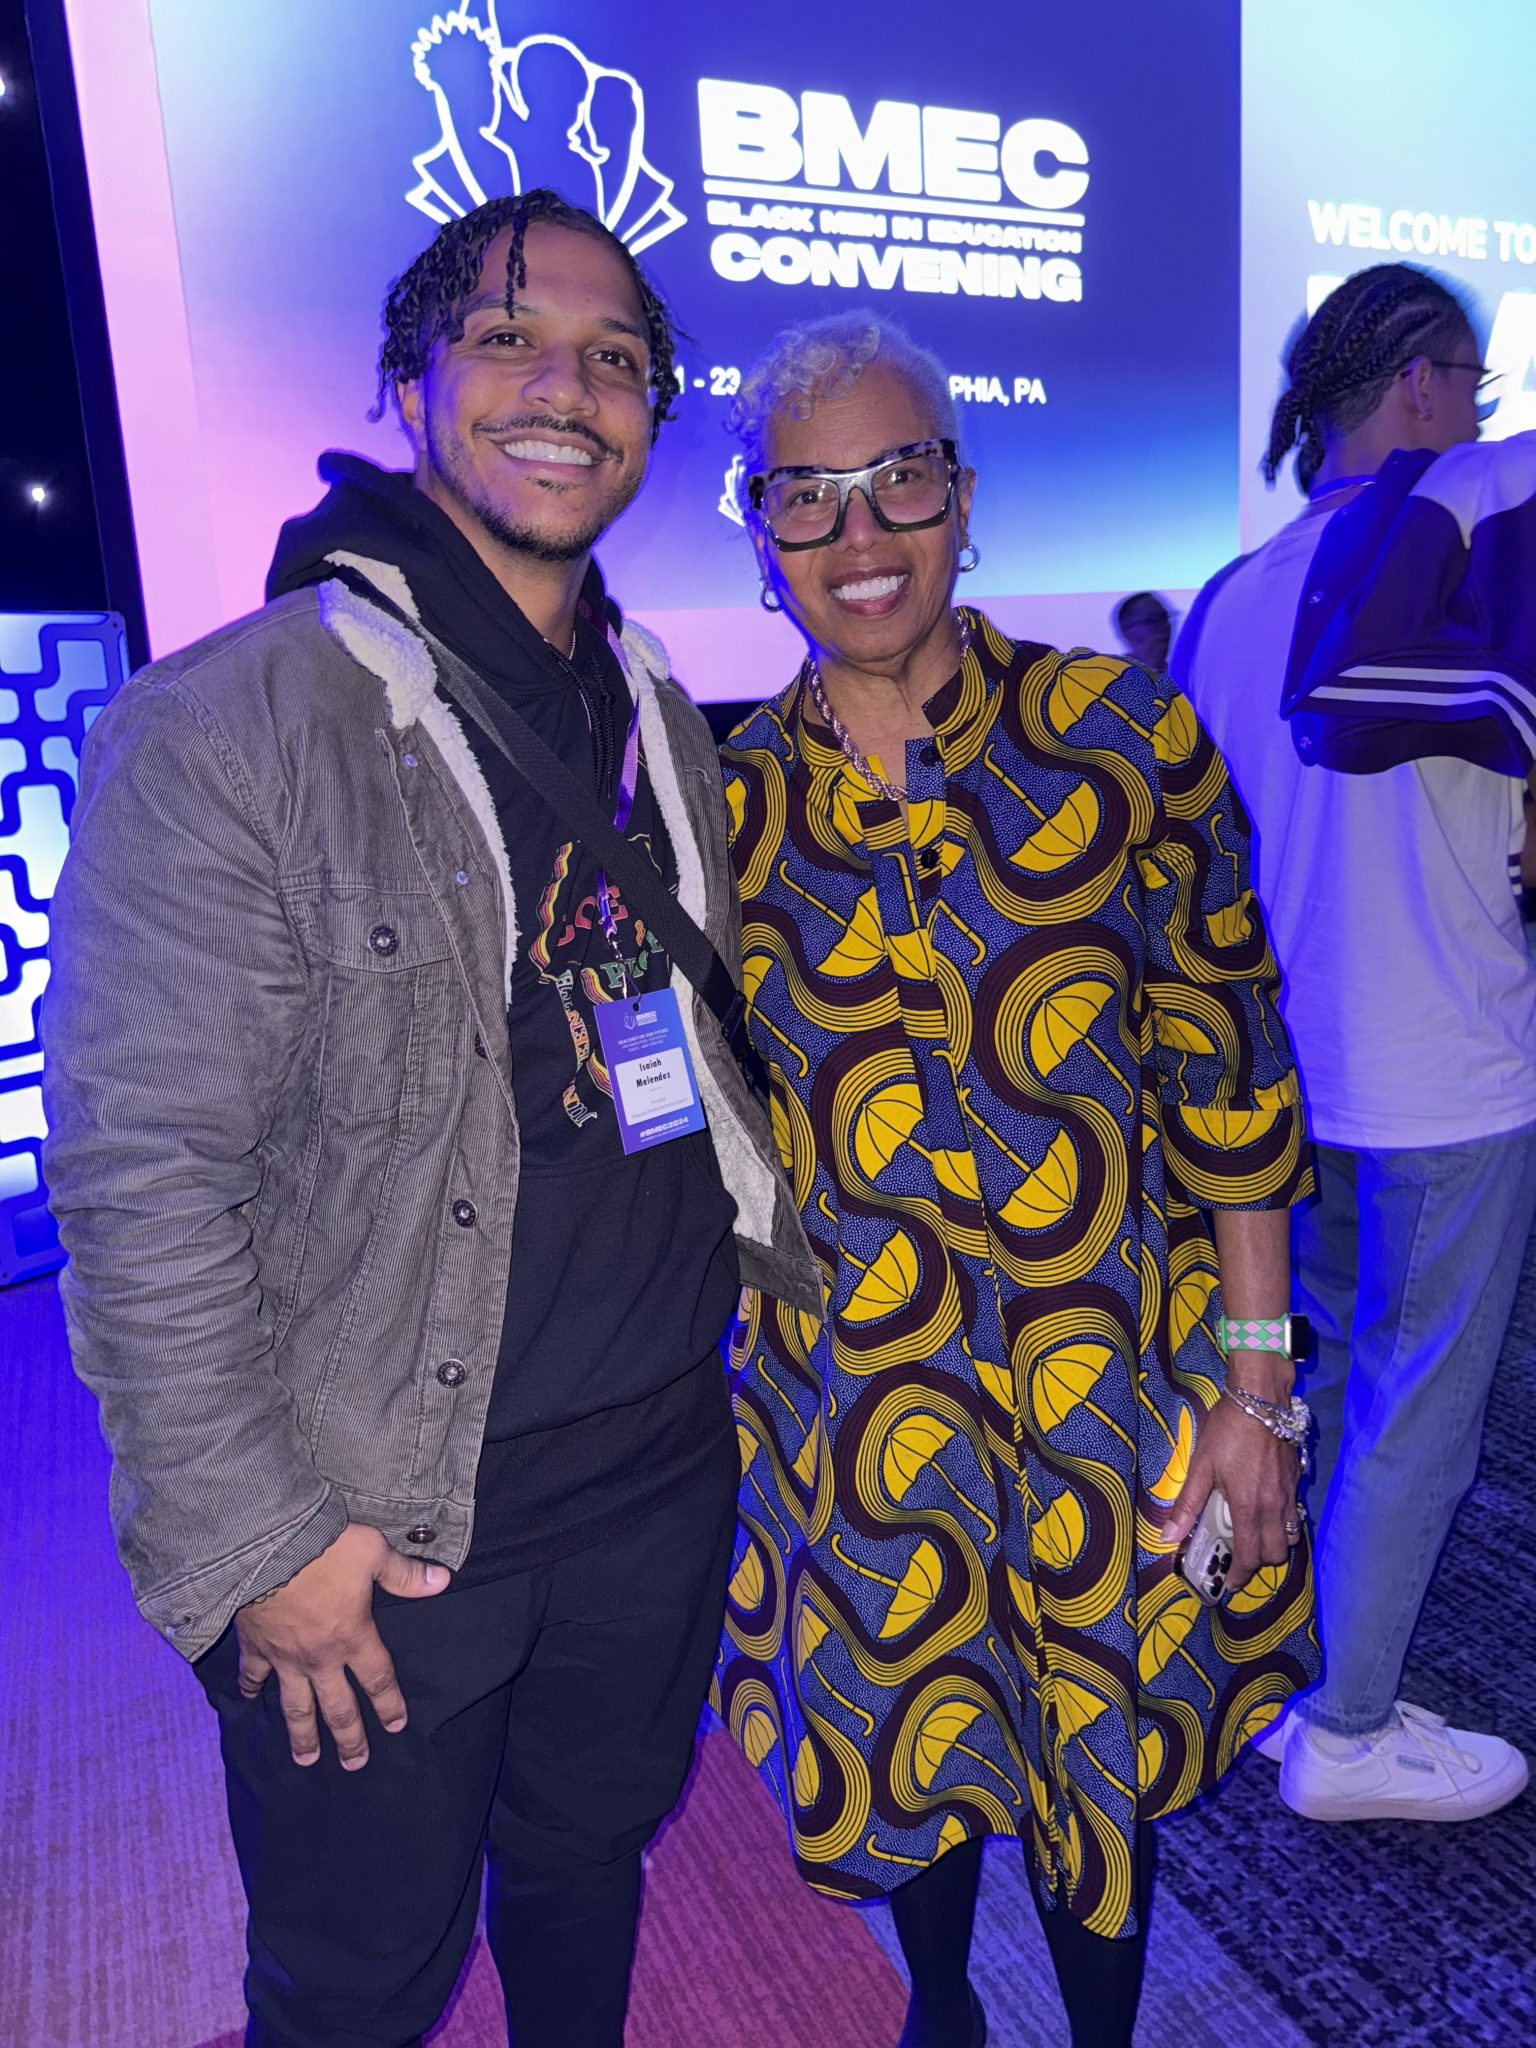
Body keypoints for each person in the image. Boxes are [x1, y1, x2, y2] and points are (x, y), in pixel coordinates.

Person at [41, 190, 820, 2048]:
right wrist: (251, 1541)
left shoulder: (648, 704)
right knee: (356, 1977)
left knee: (585, 1867)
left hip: (648, 1469)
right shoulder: (237, 719)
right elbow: (142, 1177)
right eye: (507, 336)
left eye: (618, 357)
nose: (570, 385)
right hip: (384, 1512)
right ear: (410, 384)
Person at [713, 312, 1318, 2048]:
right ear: (762, 538)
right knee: (915, 1720)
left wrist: (1257, 1383)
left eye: (898, 478)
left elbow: (1231, 1077)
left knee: (1095, 1745)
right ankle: (938, 2009)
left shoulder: (1118, 741)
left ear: (961, 497)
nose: (859, 534)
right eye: (807, 498)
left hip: (1107, 1375)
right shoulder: (726, 806)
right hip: (861, 1399)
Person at [1173, 262, 1536, 1823]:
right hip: (1445, 1055)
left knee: (1311, 1378)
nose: (1479, 415)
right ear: (1414, 383)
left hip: (1284, 1075)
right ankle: (1351, 1725)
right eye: (1470, 383)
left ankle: (1286, 1666)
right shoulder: (1474, 531)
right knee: (1419, 1407)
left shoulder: (1228, 596)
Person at [1112, 590, 1174, 670]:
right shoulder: (1111, 677)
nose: (1165, 626)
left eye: (1165, 617)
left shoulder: (1183, 675)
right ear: (1128, 632)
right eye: (1152, 620)